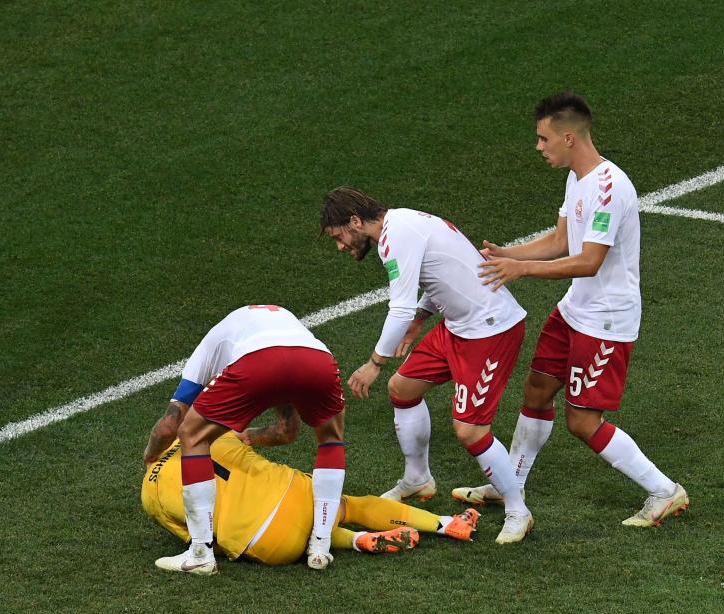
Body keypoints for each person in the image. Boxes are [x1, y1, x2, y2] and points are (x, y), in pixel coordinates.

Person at [451, 91, 689, 527]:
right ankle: (511, 486)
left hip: (606, 320)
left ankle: (664, 490)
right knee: (537, 389)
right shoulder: (576, 179)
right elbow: (561, 241)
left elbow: (588, 260)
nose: (538, 147)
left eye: (543, 139)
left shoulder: (609, 188)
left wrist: (520, 270)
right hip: (575, 309)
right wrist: (508, 252)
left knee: (582, 421)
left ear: (568, 137)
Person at [319, 188, 533, 544]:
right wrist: (421, 317)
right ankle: (417, 478)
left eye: (339, 236)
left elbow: (398, 308)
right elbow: (444, 271)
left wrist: (375, 363)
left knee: (470, 431)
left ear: (355, 221)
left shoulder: (395, 237)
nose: (340, 246)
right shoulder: (404, 222)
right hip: (457, 325)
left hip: (490, 330)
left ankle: (517, 510)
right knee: (402, 389)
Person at [141, 304, 347, 574]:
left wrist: (149, 455)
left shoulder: (208, 347)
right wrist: (246, 436)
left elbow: (169, 426)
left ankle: (200, 553)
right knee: (331, 439)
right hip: (318, 358)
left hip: (258, 361)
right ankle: (320, 548)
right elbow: (287, 431)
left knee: (191, 434)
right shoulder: (279, 323)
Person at [142, 432, 481, 567]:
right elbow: (259, 436)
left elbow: (202, 541)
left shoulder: (149, 494)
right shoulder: (210, 433)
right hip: (295, 492)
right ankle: (445, 524)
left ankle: (359, 541)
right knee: (349, 505)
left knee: (301, 534)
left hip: (268, 540)